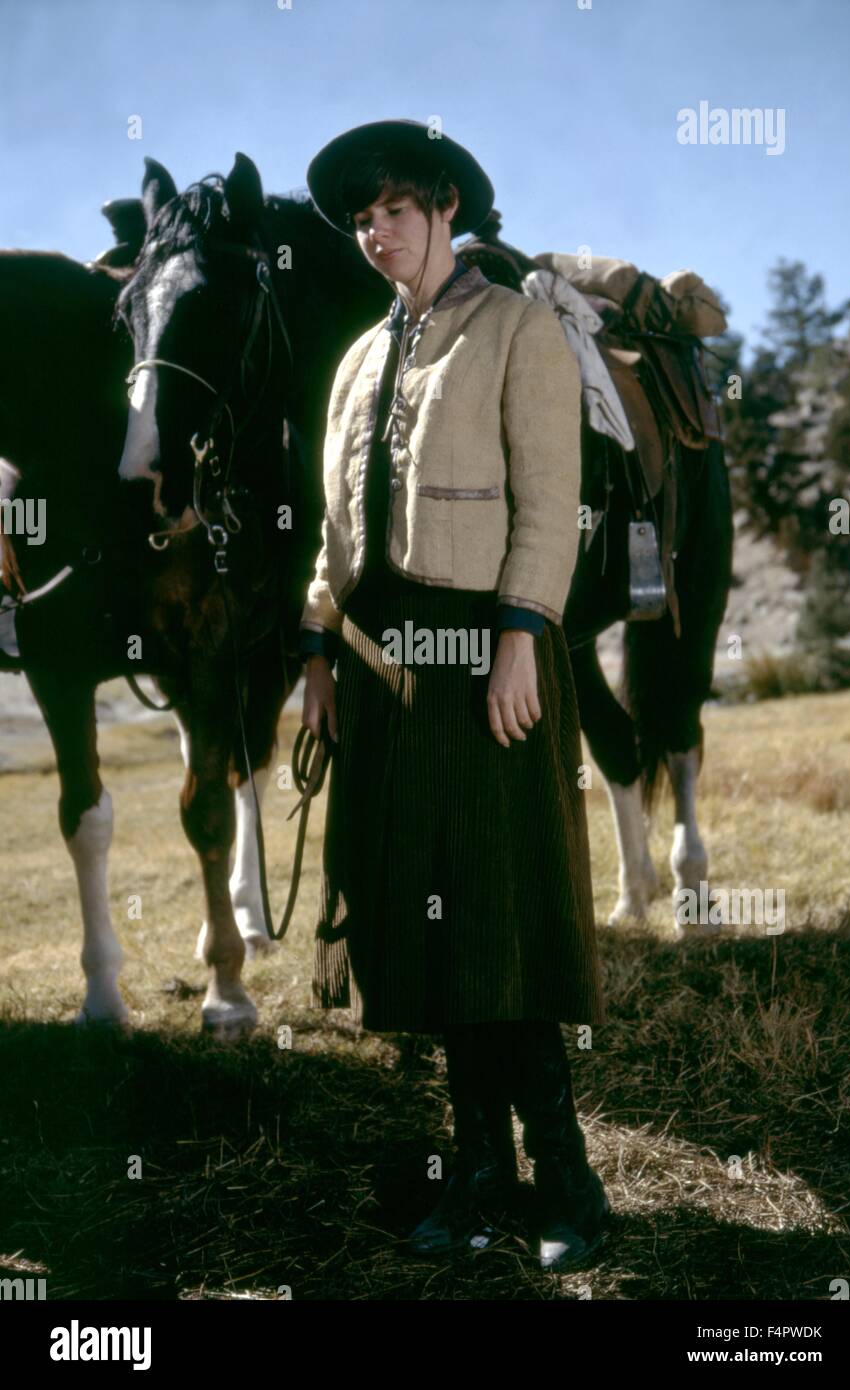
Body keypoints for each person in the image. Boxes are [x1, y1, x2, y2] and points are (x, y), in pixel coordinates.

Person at [299, 119, 608, 1271]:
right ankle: (476, 1176)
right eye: (359, 218)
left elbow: (550, 498)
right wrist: (317, 650)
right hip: (385, 681)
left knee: (501, 916)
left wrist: (523, 631)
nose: (373, 233)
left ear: (440, 206)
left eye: (389, 209)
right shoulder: (357, 360)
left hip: (487, 658)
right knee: (425, 933)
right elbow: (336, 532)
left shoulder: (517, 329)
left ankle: (566, 1182)